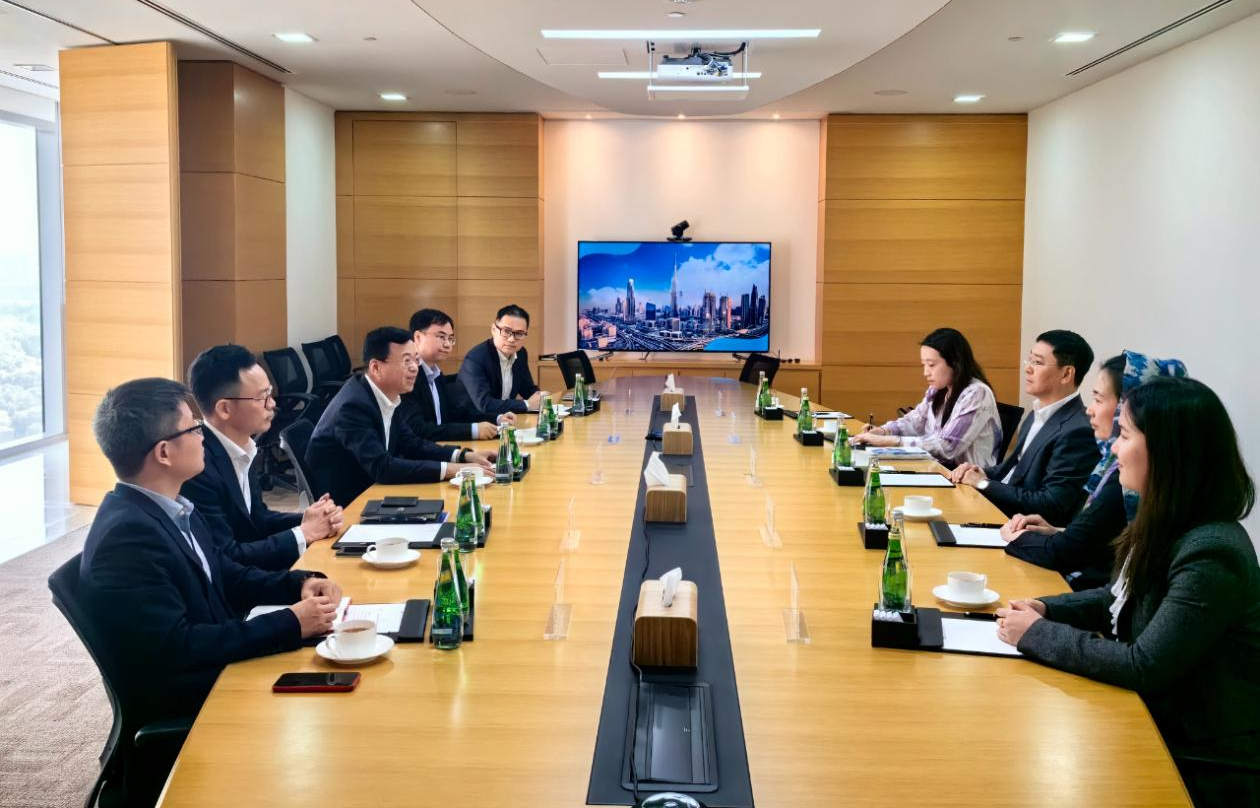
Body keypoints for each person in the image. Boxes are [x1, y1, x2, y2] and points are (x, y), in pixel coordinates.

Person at [997, 377, 1259, 806]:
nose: (1114, 448)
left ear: (1168, 451)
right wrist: (1046, 608)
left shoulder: (1211, 552)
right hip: (1151, 720)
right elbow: (1115, 598)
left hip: (1196, 759)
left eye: (1125, 434)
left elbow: (1144, 665)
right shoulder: (1166, 521)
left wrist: (1036, 633)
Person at [80, 378, 342, 735]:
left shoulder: (173, 506)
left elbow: (224, 573)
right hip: (199, 695)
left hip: (220, 659)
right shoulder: (127, 538)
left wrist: (298, 584)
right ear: (164, 453)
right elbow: (181, 647)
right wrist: (290, 622)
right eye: (194, 428)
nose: (203, 436)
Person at [1002, 351, 1188, 590]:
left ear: (1127, 409)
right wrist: (1056, 531)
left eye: (1099, 400)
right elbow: (1096, 539)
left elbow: (1071, 552)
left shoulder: (1129, 477)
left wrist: (1015, 537)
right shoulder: (1109, 463)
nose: (1089, 409)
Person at [181, 344, 344, 571]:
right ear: (225, 409)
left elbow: (258, 520)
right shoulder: (197, 468)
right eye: (263, 397)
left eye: (270, 393)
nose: (273, 404)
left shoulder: (242, 447)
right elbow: (227, 556)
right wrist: (303, 533)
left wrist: (307, 519)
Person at [306, 326, 495, 506]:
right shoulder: (353, 407)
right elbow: (382, 467)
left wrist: (464, 456)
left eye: (416, 360)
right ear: (376, 367)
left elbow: (411, 443)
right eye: (406, 361)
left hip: (375, 492)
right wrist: (454, 470)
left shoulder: (387, 394)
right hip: (347, 506)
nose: (414, 368)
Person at [948, 329, 1098, 525]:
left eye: (1037, 362)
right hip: (996, 509)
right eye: (1030, 360)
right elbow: (1013, 469)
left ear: (1066, 373)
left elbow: (1051, 504)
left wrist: (983, 484)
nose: (1028, 369)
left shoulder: (1078, 431)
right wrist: (976, 472)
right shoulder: (1037, 412)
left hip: (1018, 525)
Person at [851, 327, 1001, 467]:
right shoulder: (938, 389)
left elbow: (947, 446)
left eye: (931, 365)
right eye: (924, 365)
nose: (926, 373)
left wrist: (888, 441)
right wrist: (883, 431)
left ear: (955, 363)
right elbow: (913, 421)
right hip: (936, 468)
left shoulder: (977, 393)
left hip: (965, 480)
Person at [402, 308, 515, 442]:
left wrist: (497, 418)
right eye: (441, 337)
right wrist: (473, 430)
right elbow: (419, 429)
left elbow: (454, 413)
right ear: (418, 337)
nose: (447, 344)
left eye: (450, 339)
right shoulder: (408, 376)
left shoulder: (436, 374)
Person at [457, 304, 546, 415]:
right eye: (506, 331)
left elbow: (527, 388)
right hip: (476, 421)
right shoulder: (476, 359)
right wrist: (527, 404)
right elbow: (485, 404)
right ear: (494, 330)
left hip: (506, 419)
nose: (512, 339)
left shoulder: (521, 353)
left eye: (519, 333)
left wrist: (541, 397)